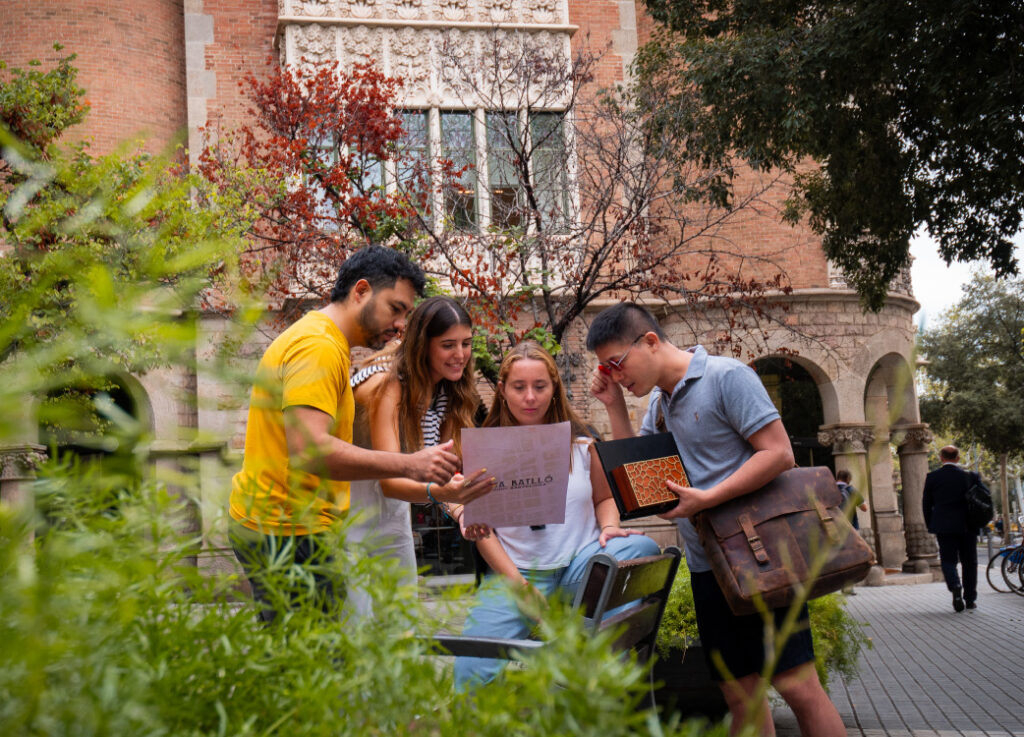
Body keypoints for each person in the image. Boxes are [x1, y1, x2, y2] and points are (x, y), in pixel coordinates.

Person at [587, 303, 845, 737]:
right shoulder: (658, 404)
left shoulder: (727, 377)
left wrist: (707, 498)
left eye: (616, 363)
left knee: (797, 687)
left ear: (649, 341)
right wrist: (614, 405)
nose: (614, 374)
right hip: (710, 569)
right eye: (605, 368)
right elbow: (643, 481)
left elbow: (780, 453)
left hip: (764, 561)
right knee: (739, 695)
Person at [228, 246, 486, 621]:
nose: (401, 325)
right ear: (361, 291)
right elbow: (310, 450)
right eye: (395, 308)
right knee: (318, 667)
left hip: (294, 525)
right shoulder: (318, 347)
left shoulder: (327, 344)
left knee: (318, 662)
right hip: (284, 529)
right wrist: (411, 465)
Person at [454, 341, 661, 690]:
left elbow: (604, 496)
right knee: (470, 673)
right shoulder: (485, 448)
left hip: (581, 566)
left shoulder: (582, 443)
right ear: (503, 391)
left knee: (640, 546)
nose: (530, 397)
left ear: (554, 389)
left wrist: (610, 526)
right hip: (516, 573)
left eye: (540, 386)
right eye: (519, 387)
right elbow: (482, 529)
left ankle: (588, 664)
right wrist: (520, 587)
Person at [347, 296, 492, 613]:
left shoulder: (447, 390)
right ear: (422, 345)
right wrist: (447, 493)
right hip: (348, 511)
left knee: (400, 623)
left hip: (393, 511)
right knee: (356, 625)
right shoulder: (388, 383)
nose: (460, 355)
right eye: (448, 345)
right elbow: (389, 480)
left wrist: (461, 512)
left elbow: (446, 476)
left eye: (466, 343)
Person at [922, 445, 979, 612]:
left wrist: (930, 523)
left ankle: (955, 586)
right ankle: (970, 599)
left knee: (948, 560)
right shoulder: (970, 477)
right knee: (970, 562)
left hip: (944, 526)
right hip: (968, 525)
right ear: (958, 458)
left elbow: (926, 504)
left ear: (941, 458)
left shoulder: (933, 478)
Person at [835, 469, 869, 595]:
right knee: (851, 558)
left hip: (833, 529)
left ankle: (834, 585)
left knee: (838, 556)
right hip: (851, 529)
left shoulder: (828, 488)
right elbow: (864, 508)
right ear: (848, 478)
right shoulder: (851, 490)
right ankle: (848, 586)